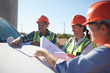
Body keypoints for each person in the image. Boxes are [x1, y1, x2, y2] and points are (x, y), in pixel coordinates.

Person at [34, 1, 110, 73]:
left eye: (90, 28)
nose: (89, 32)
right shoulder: (70, 40)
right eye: (72, 27)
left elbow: (69, 69)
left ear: (103, 29)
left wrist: (45, 52)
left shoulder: (104, 53)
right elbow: (62, 53)